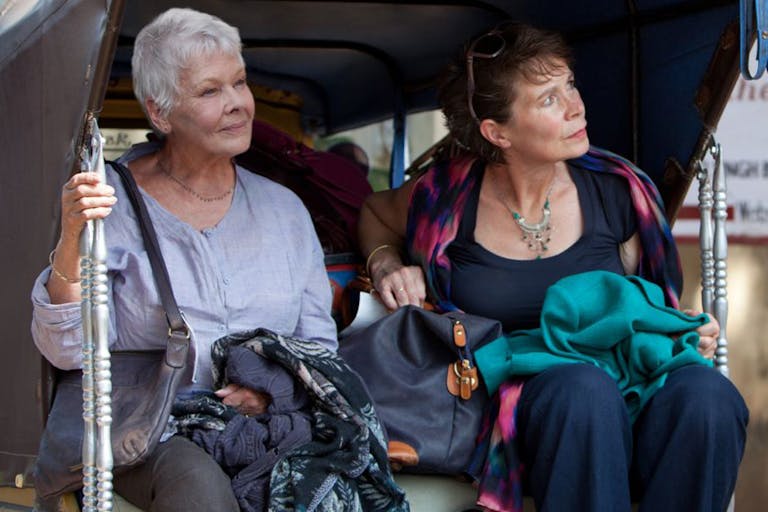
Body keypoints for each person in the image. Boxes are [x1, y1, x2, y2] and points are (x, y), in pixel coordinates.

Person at [358, 21, 748, 512]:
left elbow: (648, 308)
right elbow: (374, 213)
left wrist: (682, 330)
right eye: (547, 99)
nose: (575, 105)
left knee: (708, 397)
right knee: (583, 391)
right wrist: (388, 262)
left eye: (569, 85)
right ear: (497, 132)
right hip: (511, 392)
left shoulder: (618, 191)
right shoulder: (445, 197)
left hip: (623, 375)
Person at [31, 8, 337, 511]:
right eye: (209, 91)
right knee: (199, 485)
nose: (237, 104)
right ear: (160, 113)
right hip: (148, 429)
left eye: (239, 83)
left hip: (266, 424)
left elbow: (318, 346)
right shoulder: (108, 202)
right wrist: (71, 238)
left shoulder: (285, 210)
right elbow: (68, 351)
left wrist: (271, 395)